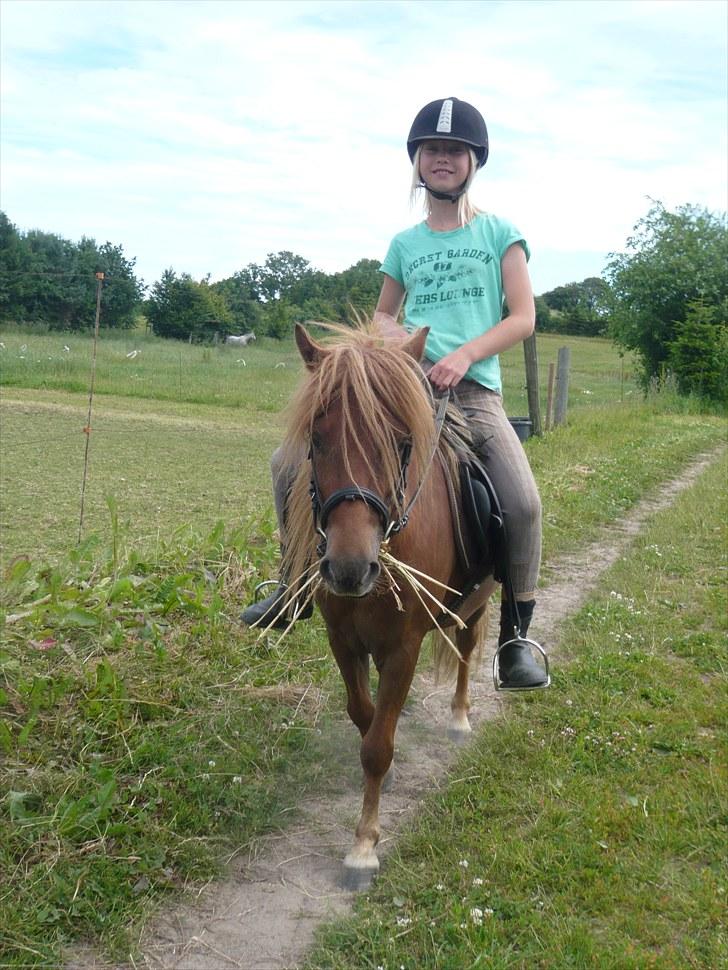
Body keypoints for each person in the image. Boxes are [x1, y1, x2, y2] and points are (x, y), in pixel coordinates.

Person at [242, 96, 547, 690]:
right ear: (417, 160)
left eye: (454, 151)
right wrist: (394, 342)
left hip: (474, 395)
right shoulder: (404, 244)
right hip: (405, 389)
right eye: (432, 150)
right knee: (287, 462)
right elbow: (383, 316)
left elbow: (524, 317)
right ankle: (292, 584)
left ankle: (516, 637)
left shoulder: (500, 234)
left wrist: (464, 354)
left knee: (524, 502)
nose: (442, 159)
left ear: (473, 162)